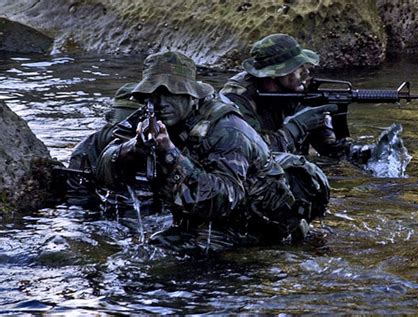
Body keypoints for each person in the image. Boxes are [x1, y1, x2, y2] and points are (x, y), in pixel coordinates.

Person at [93, 51, 330, 252]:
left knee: (163, 252)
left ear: (191, 94)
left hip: (255, 220)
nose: (161, 102)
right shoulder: (150, 117)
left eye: (171, 94)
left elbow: (225, 198)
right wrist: (131, 149)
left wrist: (170, 154)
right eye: (154, 95)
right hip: (205, 216)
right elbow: (103, 171)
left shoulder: (226, 128)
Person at [220, 33, 344, 157]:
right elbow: (253, 151)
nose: (306, 72)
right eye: (298, 67)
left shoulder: (295, 87)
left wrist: (331, 138)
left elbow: (324, 144)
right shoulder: (236, 99)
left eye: (304, 65)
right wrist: (297, 126)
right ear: (275, 73)